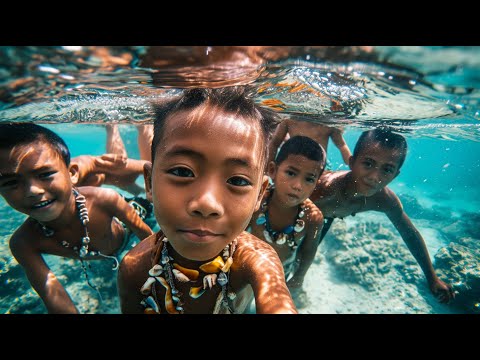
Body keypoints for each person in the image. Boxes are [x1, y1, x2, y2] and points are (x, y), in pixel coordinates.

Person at [117, 87, 298, 314]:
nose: (207, 204)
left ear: (259, 195)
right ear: (149, 183)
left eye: (238, 181)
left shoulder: (257, 261)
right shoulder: (134, 268)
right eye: (182, 172)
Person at [0, 123, 154, 314]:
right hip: (88, 179)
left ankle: (135, 129)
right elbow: (52, 295)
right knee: (111, 175)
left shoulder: (105, 199)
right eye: (11, 182)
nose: (32, 191)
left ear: (72, 174)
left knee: (145, 190)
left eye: (45, 174)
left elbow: (149, 242)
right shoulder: (24, 242)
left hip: (133, 216)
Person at [309, 127, 455, 303]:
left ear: (395, 175)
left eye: (387, 169)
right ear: (352, 162)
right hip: (314, 212)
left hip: (328, 216)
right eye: (368, 163)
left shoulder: (385, 200)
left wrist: (432, 278)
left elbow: (409, 233)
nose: (374, 176)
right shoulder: (324, 190)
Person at [248, 136, 325, 299]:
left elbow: (308, 251)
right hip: (246, 267)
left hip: (281, 273)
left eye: (309, 179)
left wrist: (299, 277)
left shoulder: (314, 218)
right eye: (291, 173)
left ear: (316, 183)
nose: (297, 186)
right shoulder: (255, 201)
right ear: (272, 170)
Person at [268, 116, 352, 167]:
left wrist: (352, 165)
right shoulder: (289, 120)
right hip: (293, 163)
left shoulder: (328, 124)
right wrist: (267, 168)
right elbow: (274, 143)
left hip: (317, 167)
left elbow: (342, 145)